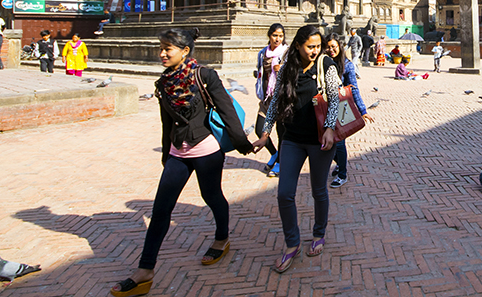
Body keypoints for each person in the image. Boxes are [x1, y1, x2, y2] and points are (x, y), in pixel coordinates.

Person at [110, 28, 252, 297]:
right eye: (160, 48)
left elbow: (226, 109)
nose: (162, 54)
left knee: (211, 196)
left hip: (206, 148)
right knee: (161, 208)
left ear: (185, 51)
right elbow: (166, 123)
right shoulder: (164, 83)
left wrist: (242, 144)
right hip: (178, 151)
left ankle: (222, 238)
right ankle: (145, 270)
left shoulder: (204, 76)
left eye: (168, 49)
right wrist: (166, 154)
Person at [252, 25, 339, 273]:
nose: (314, 51)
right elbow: (275, 102)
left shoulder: (326, 65)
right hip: (291, 138)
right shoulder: (287, 68)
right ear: (298, 45)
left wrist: (330, 128)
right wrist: (265, 132)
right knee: (284, 194)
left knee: (318, 189)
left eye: (317, 46)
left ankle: (319, 233)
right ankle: (292, 243)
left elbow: (334, 99)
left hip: (320, 139)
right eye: (310, 46)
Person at [325, 34, 373, 188]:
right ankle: (339, 163)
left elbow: (354, 89)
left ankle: (342, 174)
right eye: (328, 47)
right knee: (326, 141)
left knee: (339, 142)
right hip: (325, 106)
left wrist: (362, 110)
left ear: (340, 46)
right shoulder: (324, 63)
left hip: (340, 107)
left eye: (334, 46)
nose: (331, 50)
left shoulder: (347, 65)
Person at [255, 23, 287, 177]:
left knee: (281, 132)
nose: (277, 39)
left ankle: (280, 162)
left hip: (281, 98)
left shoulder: (286, 53)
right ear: (269, 35)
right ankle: (274, 153)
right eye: (275, 35)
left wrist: (283, 69)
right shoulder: (262, 53)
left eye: (280, 36)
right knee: (259, 129)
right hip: (267, 97)